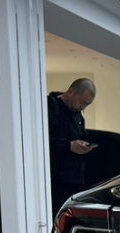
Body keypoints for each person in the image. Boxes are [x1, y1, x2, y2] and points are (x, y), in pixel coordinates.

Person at [47, 78, 96, 217]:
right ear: (71, 91)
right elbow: (42, 141)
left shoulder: (78, 116)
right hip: (56, 180)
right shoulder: (51, 107)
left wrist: (85, 146)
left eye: (87, 105)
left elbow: (83, 136)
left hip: (75, 179)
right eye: (82, 102)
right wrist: (68, 146)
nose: (83, 107)